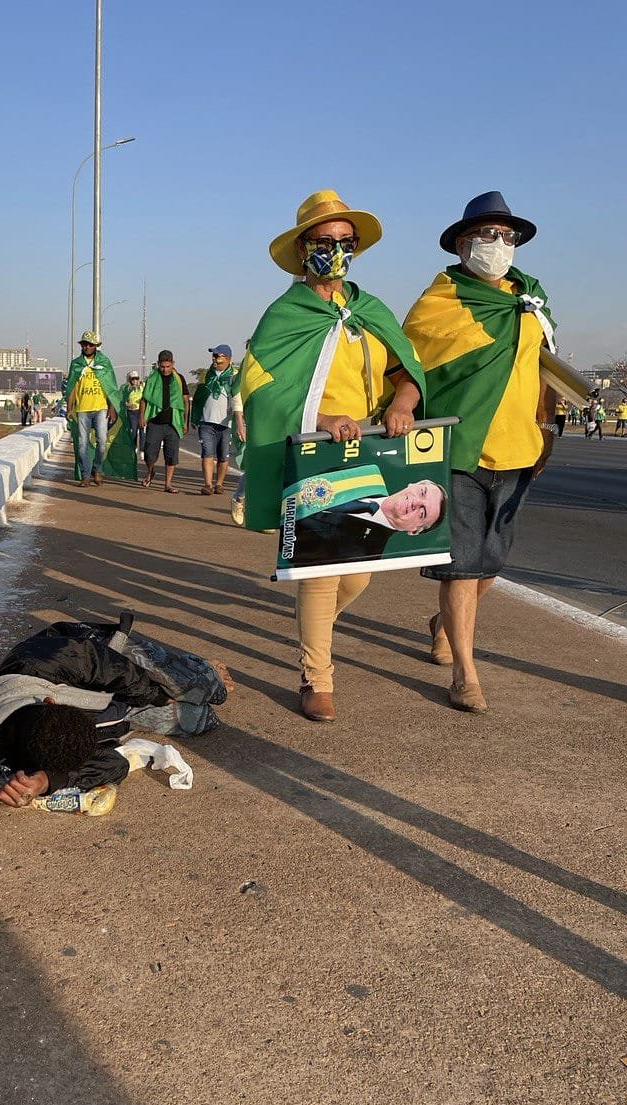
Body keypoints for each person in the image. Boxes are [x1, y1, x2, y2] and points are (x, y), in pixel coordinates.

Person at [239, 190, 425, 721]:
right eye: (324, 241)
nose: (335, 250)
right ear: (303, 249)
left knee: (358, 571)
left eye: (346, 241)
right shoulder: (285, 313)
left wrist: (405, 403)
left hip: (368, 448)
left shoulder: (370, 310)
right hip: (314, 450)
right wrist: (320, 419)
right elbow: (261, 388)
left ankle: (312, 629)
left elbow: (403, 370)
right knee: (323, 567)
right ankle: (317, 675)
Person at [404, 191, 557, 714]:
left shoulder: (530, 300)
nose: (499, 244)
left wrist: (546, 428)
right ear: (463, 244)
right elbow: (407, 364)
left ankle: (445, 622)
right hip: (458, 449)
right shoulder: (439, 302)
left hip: (520, 447)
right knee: (462, 566)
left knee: (492, 563)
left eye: (507, 236)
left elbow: (544, 369)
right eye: (487, 235)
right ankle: (466, 675)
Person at [0, 615, 233, 808]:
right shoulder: (21, 762)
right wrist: (46, 782)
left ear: (50, 700)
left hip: (115, 663)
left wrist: (154, 694)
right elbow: (114, 765)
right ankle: (191, 685)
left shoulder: (35, 663)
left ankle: (204, 670)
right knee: (203, 722)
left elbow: (101, 662)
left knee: (209, 689)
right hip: (123, 715)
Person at [286, 476, 447, 570]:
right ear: (414, 484)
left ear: (413, 531)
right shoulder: (366, 476)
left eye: (422, 512)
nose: (416, 502)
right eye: (422, 492)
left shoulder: (365, 555)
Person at [62, 331, 125, 486]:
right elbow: (71, 387)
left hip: (101, 408)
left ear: (96, 346)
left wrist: (112, 408)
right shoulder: (76, 364)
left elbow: (110, 387)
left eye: (90, 344)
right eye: (84, 344)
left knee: (102, 441)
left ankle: (97, 469)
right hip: (83, 409)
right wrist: (69, 408)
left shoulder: (104, 363)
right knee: (83, 443)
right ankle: (85, 475)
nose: (87, 347)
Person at [191, 344, 243, 496]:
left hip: (226, 423)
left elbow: (238, 398)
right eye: (213, 356)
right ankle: (207, 484)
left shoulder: (235, 376)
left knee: (223, 456)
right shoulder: (207, 375)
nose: (214, 359)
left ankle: (219, 484)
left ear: (228, 359)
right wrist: (195, 416)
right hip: (206, 421)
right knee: (207, 453)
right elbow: (200, 396)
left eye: (217, 356)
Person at [139, 350, 191, 492]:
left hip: (173, 423)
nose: (165, 369)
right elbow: (144, 399)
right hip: (155, 422)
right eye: (162, 366)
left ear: (173, 364)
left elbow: (186, 401)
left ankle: (168, 484)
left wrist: (185, 422)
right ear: (158, 365)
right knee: (149, 454)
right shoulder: (152, 379)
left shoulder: (179, 379)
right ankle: (150, 472)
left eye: (168, 366)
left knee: (171, 455)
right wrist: (141, 416)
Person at [121, 370, 145, 453]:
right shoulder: (126, 388)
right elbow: (121, 399)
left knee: (143, 431)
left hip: (142, 411)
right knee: (133, 430)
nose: (135, 380)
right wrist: (128, 405)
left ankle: (142, 450)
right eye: (133, 379)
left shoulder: (143, 386)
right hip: (132, 412)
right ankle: (134, 447)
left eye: (136, 378)